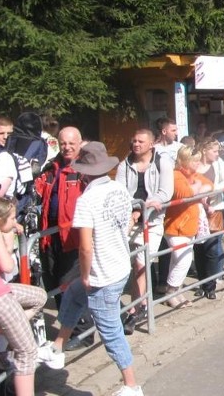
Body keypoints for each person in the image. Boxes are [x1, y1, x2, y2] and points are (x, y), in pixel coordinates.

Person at [49, 141, 145, 396]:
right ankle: (57, 347)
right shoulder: (119, 189)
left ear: (83, 172)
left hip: (102, 273)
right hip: (118, 263)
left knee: (110, 331)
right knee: (73, 295)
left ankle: (131, 385)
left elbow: (85, 246)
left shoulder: (87, 199)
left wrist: (84, 273)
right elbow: (125, 224)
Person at [115, 129, 174, 332]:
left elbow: (166, 192)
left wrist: (146, 207)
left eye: (141, 141)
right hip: (130, 219)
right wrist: (137, 208)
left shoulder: (162, 163)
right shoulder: (126, 164)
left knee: (141, 263)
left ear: (151, 144)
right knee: (133, 265)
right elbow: (120, 192)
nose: (136, 144)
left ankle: (135, 310)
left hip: (152, 221)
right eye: (134, 141)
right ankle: (141, 304)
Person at [0, 197, 49, 394]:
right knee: (27, 352)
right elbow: (7, 266)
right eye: (11, 218)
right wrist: (8, 241)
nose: (14, 221)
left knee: (39, 297)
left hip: (2, 292)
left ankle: (5, 327)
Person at [34, 127, 87, 306]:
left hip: (74, 235)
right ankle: (65, 322)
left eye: (72, 143)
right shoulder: (51, 167)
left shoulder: (85, 169)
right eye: (63, 143)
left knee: (70, 283)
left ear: (80, 143)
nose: (67, 147)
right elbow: (38, 191)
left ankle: (79, 332)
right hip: (50, 233)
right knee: (52, 278)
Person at [163, 147, 210, 308]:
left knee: (178, 260)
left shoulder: (193, 175)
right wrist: (197, 189)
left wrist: (199, 188)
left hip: (190, 225)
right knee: (183, 260)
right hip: (176, 226)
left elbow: (209, 184)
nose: (198, 163)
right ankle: (171, 291)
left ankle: (177, 290)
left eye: (198, 160)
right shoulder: (176, 175)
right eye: (195, 160)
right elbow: (184, 193)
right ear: (185, 160)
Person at [194, 139, 224, 299]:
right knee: (199, 249)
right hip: (196, 210)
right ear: (204, 150)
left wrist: (213, 190)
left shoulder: (219, 164)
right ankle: (202, 283)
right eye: (214, 151)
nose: (217, 154)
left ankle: (211, 285)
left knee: (213, 248)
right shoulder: (194, 163)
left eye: (217, 151)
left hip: (214, 210)